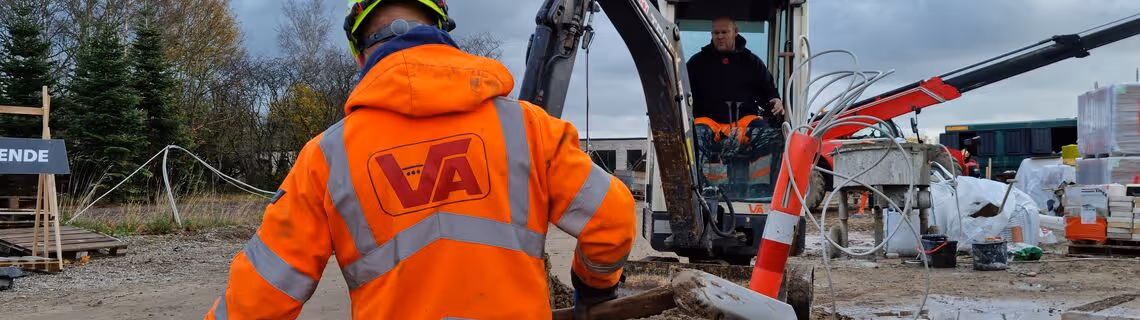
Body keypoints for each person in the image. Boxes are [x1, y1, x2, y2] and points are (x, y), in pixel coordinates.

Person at [203, 1, 636, 319]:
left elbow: (258, 299)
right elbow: (612, 217)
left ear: (360, 54)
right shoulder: (527, 128)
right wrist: (593, 289)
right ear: (443, 31)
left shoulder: (327, 158)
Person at [685, 16, 786, 197]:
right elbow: (682, 90)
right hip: (708, 121)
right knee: (695, 137)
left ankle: (759, 188)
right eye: (716, 33)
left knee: (766, 134)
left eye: (724, 32)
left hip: (743, 122)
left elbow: (768, 90)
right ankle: (708, 189)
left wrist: (775, 100)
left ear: (735, 32)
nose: (720, 36)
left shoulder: (752, 62)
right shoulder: (697, 63)